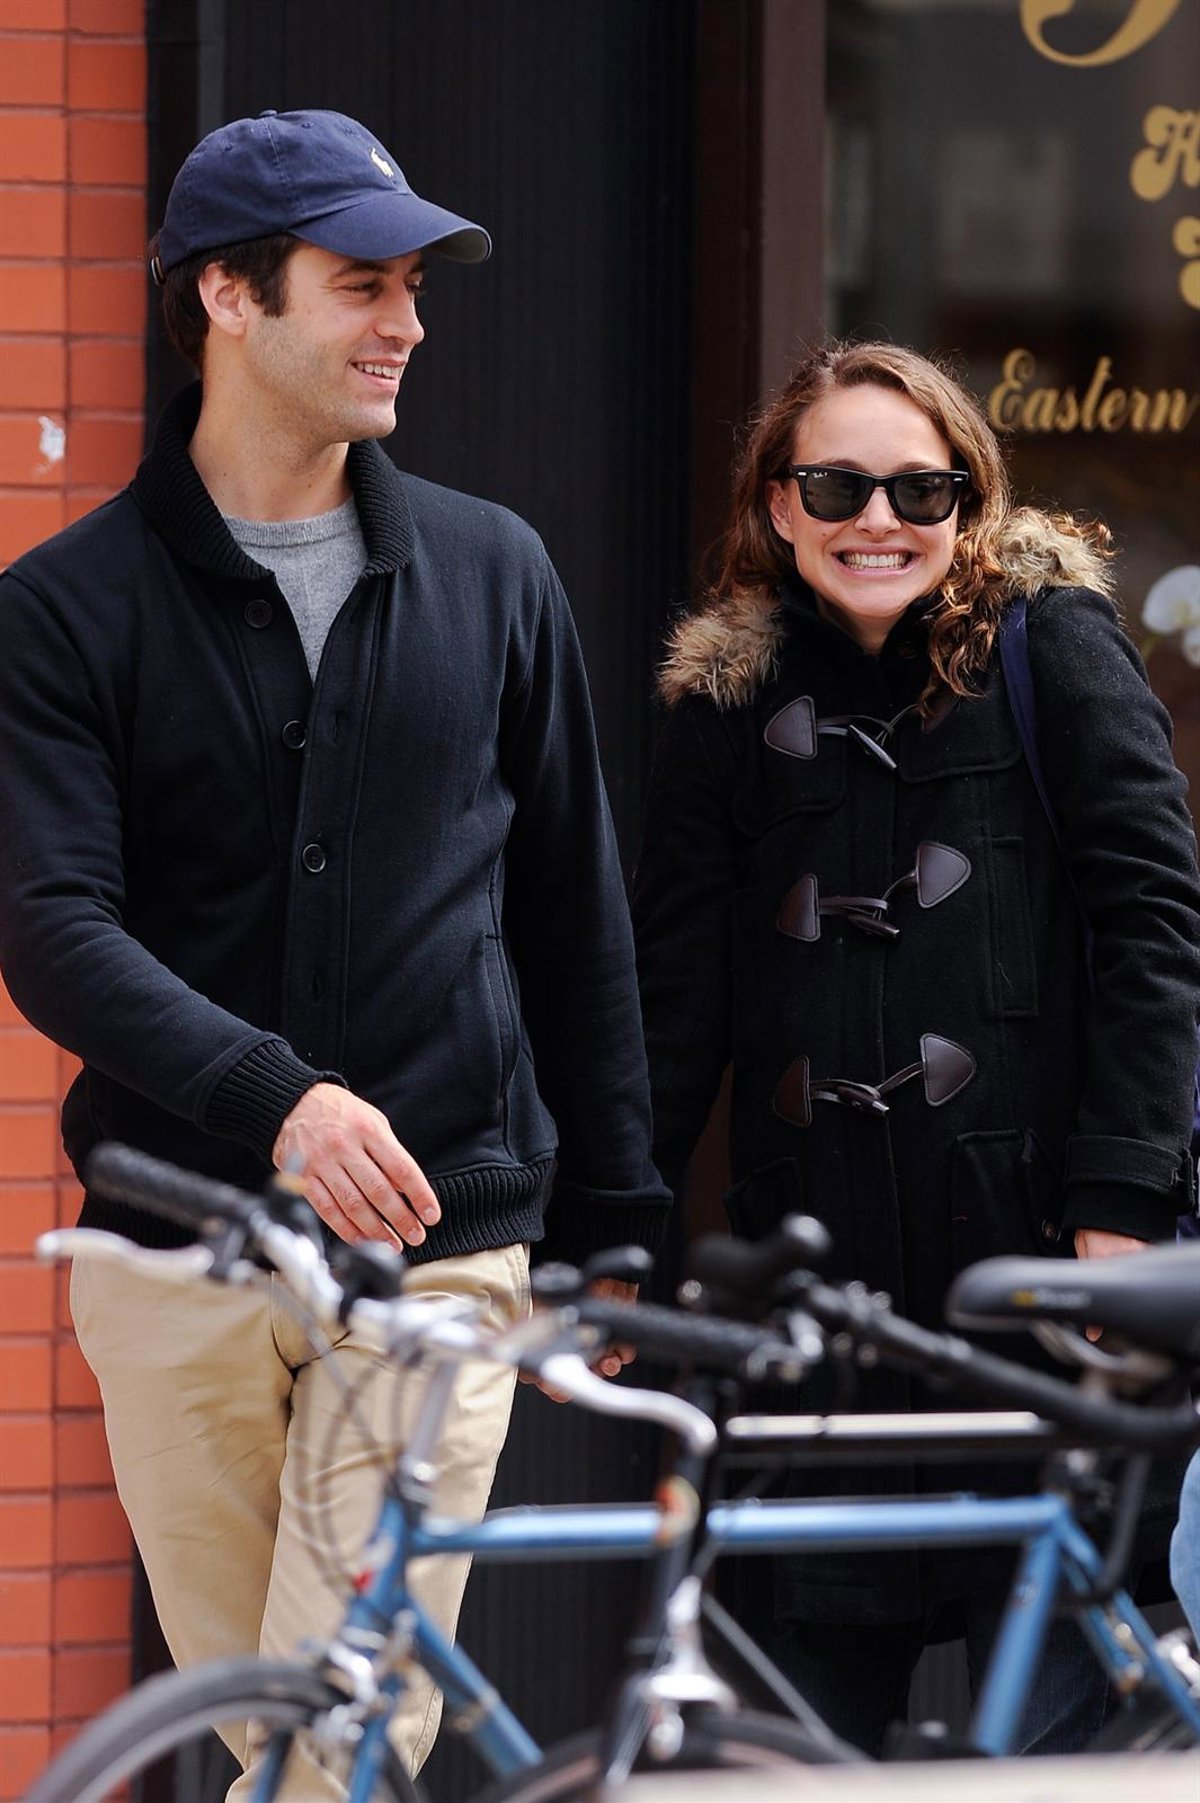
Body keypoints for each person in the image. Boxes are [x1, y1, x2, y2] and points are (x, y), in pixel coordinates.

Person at [0, 108, 668, 1793]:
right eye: (363, 284)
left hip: (440, 1251)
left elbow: (573, 908)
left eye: (415, 288)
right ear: (227, 296)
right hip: (182, 1248)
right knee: (267, 1729)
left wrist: (616, 1225)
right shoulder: (63, 610)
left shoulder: (496, 571)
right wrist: (280, 1100)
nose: (407, 326)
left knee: (342, 1725)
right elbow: (53, 929)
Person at [632, 340, 1200, 1756]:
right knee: (798, 1743)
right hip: (819, 1299)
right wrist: (620, 1229)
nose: (876, 520)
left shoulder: (1052, 650)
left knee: (1051, 1733)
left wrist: (1124, 1200)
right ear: (780, 503)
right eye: (837, 485)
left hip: (1040, 1279)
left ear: (968, 500)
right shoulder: (724, 708)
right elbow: (673, 1001)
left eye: (919, 490)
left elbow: (1157, 925)